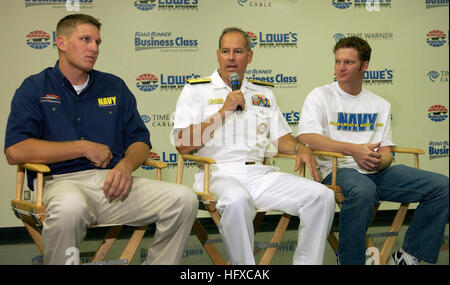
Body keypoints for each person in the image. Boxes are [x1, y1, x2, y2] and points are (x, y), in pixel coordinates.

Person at [4, 14, 198, 265]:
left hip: (114, 184)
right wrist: (82, 148)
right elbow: (16, 151)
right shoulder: (34, 88)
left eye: (97, 42)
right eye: (85, 39)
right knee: (69, 207)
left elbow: (140, 141)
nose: (94, 48)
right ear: (61, 42)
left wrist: (126, 166)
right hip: (61, 183)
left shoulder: (114, 86)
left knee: (184, 199)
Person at [171, 27, 335, 265]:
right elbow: (182, 144)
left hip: (259, 174)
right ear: (218, 55)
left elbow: (282, 140)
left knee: (322, 197)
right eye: (225, 51)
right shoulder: (196, 90)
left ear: (249, 56)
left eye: (238, 51)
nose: (231, 57)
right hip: (217, 174)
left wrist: (300, 147)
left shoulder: (263, 92)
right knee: (237, 200)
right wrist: (224, 110)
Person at [297, 36, 449, 265]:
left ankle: (409, 256)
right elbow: (307, 137)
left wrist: (381, 161)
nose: (341, 67)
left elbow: (387, 150)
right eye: (338, 61)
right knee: (364, 190)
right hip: (338, 170)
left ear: (365, 66)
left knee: (442, 186)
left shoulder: (380, 104)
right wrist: (354, 151)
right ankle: (350, 260)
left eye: (348, 62)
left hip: (376, 172)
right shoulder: (320, 95)